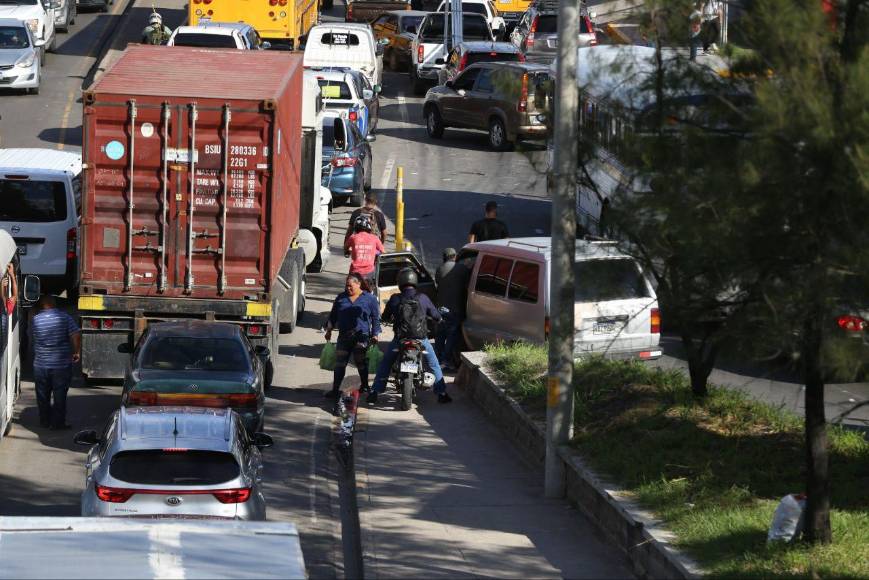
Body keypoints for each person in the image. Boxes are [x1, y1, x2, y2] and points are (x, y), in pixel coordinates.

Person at [368, 268, 451, 405]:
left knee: (386, 363)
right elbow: (436, 315)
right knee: (434, 364)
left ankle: (374, 392)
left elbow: (385, 317)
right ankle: (441, 393)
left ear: (400, 282)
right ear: (415, 281)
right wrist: (439, 319)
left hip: (400, 339)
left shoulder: (395, 298)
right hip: (421, 339)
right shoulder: (423, 298)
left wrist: (388, 319)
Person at [324, 273, 381, 406]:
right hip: (344, 336)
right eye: (346, 285)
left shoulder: (370, 299)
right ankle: (335, 389)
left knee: (361, 363)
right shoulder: (341, 298)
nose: (348, 288)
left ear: (358, 284)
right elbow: (333, 316)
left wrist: (375, 334)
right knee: (340, 364)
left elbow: (375, 318)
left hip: (361, 336)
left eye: (350, 286)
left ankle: (365, 386)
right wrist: (329, 330)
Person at [30, 295, 80, 430]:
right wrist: (76, 352)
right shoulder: (65, 317)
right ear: (53, 304)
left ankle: (45, 421)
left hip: (40, 365)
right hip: (61, 365)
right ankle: (58, 423)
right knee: (60, 395)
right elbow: (75, 334)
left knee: (42, 395)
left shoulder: (35, 320)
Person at [435, 253, 471, 371]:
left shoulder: (439, 269)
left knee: (440, 334)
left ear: (444, 257)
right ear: (454, 257)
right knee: (451, 335)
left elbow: (437, 283)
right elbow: (468, 285)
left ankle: (438, 358)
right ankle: (446, 361)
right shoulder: (462, 269)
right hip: (455, 309)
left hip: (440, 308)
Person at [345, 214, 385, 290]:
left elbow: (346, 248)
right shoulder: (375, 238)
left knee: (348, 292)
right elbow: (383, 252)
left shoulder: (353, 237)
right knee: (372, 292)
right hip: (369, 272)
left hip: (355, 271)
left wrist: (347, 252)